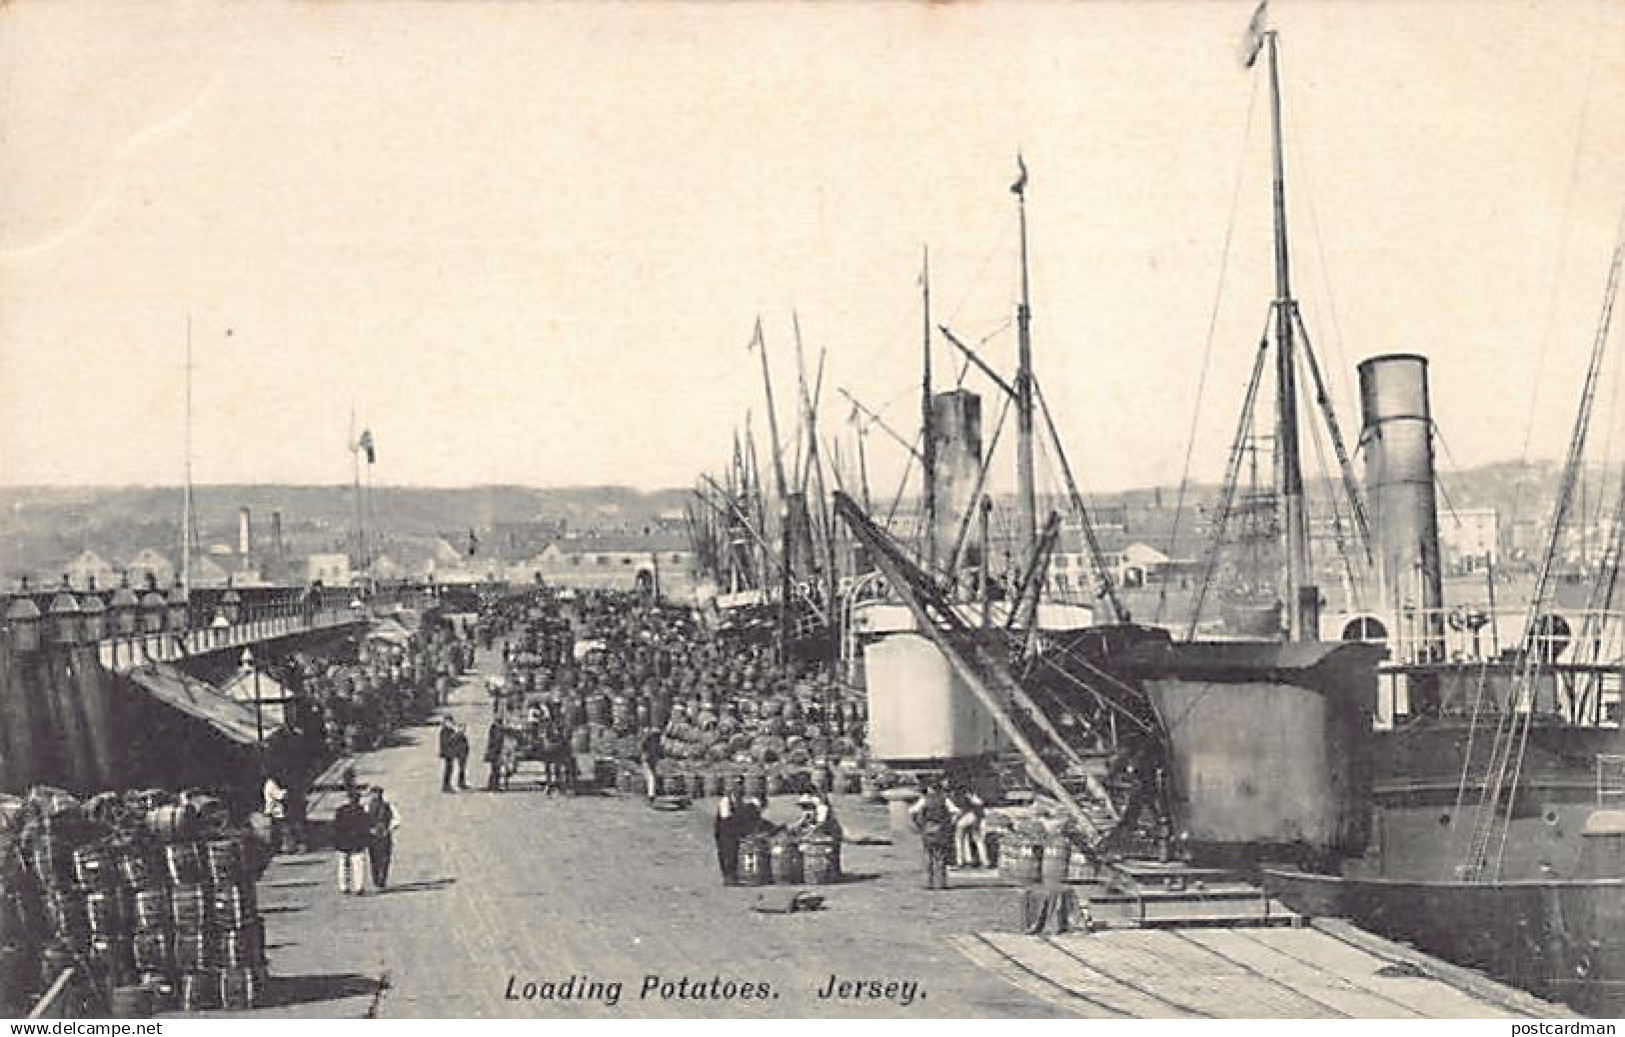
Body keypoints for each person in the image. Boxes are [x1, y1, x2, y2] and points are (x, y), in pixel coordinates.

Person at [713, 777, 761, 886]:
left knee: (734, 853)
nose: (740, 790)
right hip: (724, 831)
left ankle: (733, 876)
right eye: (737, 787)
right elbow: (726, 818)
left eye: (741, 787)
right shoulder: (726, 801)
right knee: (727, 853)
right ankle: (728, 877)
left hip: (733, 831)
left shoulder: (740, 801)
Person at [909, 781, 955, 890]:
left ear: (929, 788)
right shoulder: (945, 799)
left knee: (928, 856)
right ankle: (941, 883)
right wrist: (950, 823)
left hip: (928, 828)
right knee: (941, 856)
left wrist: (918, 824)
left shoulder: (924, 799)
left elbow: (912, 811)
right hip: (941, 829)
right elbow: (955, 811)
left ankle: (928, 882)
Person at [332, 788, 372, 895]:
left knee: (345, 865)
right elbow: (366, 827)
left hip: (345, 842)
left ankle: (345, 886)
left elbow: (335, 827)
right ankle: (357, 887)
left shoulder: (341, 811)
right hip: (354, 842)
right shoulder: (361, 811)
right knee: (356, 865)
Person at [364, 786, 400, 889]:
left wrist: (389, 828)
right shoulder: (367, 807)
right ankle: (375, 879)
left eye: (377, 794)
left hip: (385, 835)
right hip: (372, 836)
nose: (375, 796)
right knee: (374, 858)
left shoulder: (388, 806)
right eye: (373, 794)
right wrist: (369, 829)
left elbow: (397, 819)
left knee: (385, 858)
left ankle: (382, 879)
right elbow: (363, 821)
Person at [948, 783, 989, 868]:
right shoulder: (970, 796)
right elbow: (980, 803)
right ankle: (984, 861)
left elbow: (957, 812)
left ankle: (961, 861)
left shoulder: (954, 798)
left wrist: (953, 821)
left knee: (959, 840)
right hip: (974, 817)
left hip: (963, 819)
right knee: (978, 840)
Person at [261, 774, 288, 854]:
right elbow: (279, 796)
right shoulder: (271, 784)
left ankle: (277, 847)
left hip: (273, 810)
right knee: (282, 829)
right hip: (276, 811)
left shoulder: (269, 784)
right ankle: (283, 847)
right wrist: (285, 791)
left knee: (276, 830)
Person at [639, 726, 662, 800]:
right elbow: (643, 754)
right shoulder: (647, 742)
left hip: (652, 762)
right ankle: (651, 796)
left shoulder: (657, 744)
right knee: (651, 778)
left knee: (653, 777)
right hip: (647, 762)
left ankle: (653, 794)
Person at [484, 719, 507, 792]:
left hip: (494, 752)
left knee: (495, 769)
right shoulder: (497, 729)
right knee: (495, 769)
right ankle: (493, 786)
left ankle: (493, 786)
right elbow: (497, 740)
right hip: (495, 752)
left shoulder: (495, 728)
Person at [437, 717, 459, 792]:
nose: (450, 723)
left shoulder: (451, 730)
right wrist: (454, 736)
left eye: (451, 722)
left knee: (450, 769)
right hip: (447, 753)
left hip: (451, 752)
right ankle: (445, 786)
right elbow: (445, 742)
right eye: (448, 722)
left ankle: (448, 784)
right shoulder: (443, 731)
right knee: (448, 769)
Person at [452, 722, 471, 790]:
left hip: (463, 756)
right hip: (459, 755)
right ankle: (458, 783)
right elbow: (454, 746)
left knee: (462, 769)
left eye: (464, 728)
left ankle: (462, 783)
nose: (463, 729)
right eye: (462, 728)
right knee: (459, 769)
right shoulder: (457, 736)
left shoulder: (463, 736)